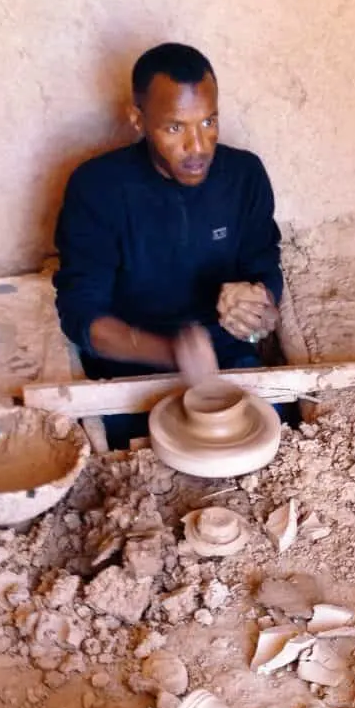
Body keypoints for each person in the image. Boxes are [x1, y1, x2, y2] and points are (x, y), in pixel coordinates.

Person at [53, 42, 284, 448]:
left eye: (209, 122)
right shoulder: (98, 190)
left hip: (228, 364)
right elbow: (80, 316)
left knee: (275, 438)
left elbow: (265, 267)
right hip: (130, 370)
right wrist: (173, 353)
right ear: (138, 120)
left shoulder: (244, 176)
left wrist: (259, 306)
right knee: (129, 461)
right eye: (175, 128)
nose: (198, 146)